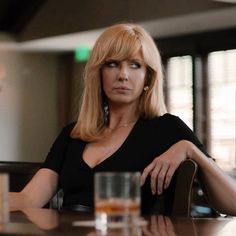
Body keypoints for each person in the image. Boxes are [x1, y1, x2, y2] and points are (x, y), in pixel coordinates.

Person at [9, 23, 236, 215]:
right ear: (99, 74)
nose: (123, 75)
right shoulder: (73, 134)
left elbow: (232, 203)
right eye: (112, 64)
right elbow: (28, 200)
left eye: (135, 65)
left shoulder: (167, 128)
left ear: (148, 77)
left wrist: (190, 149)